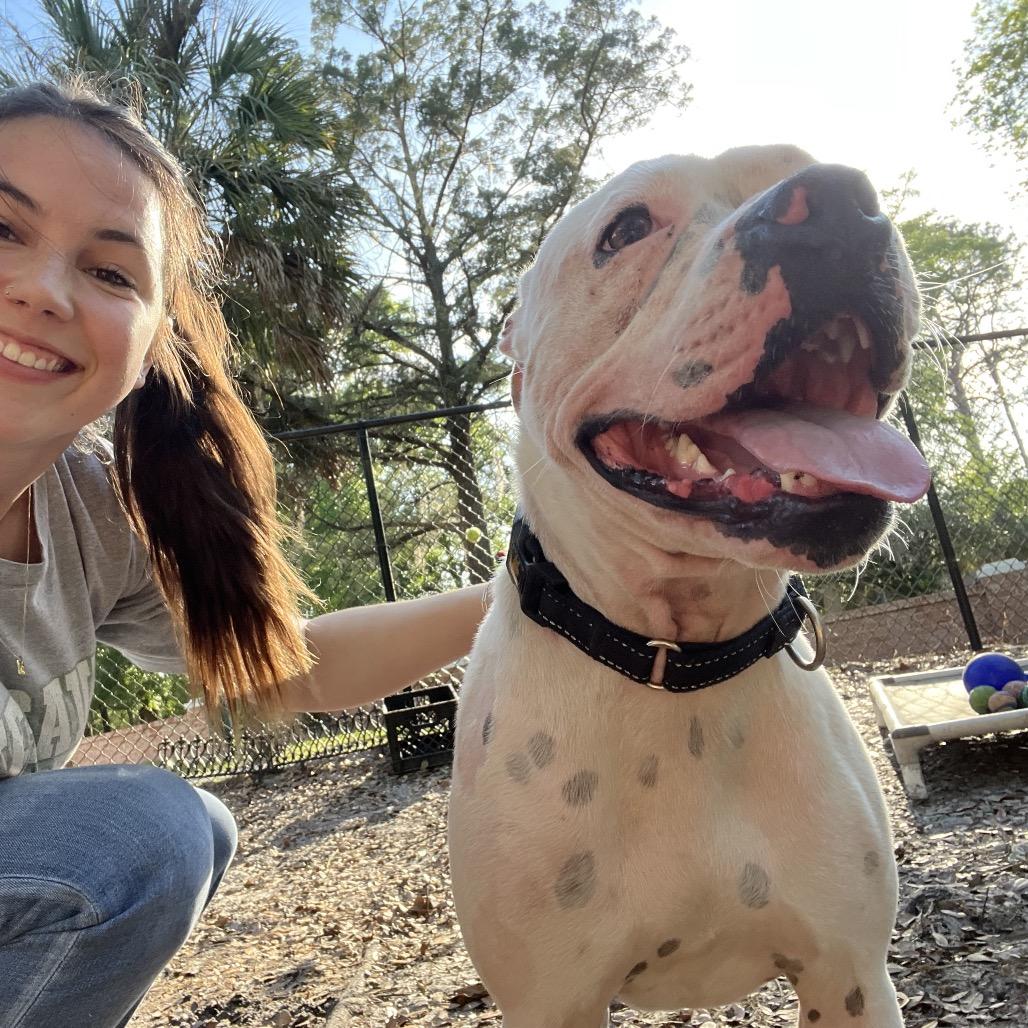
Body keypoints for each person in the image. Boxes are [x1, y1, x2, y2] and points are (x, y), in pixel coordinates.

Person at [0, 80, 488, 1027]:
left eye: (111, 273)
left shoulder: (95, 514)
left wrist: (534, 588)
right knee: (134, 838)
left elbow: (285, 668)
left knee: (178, 834)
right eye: (1, 228)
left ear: (150, 347)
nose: (43, 290)